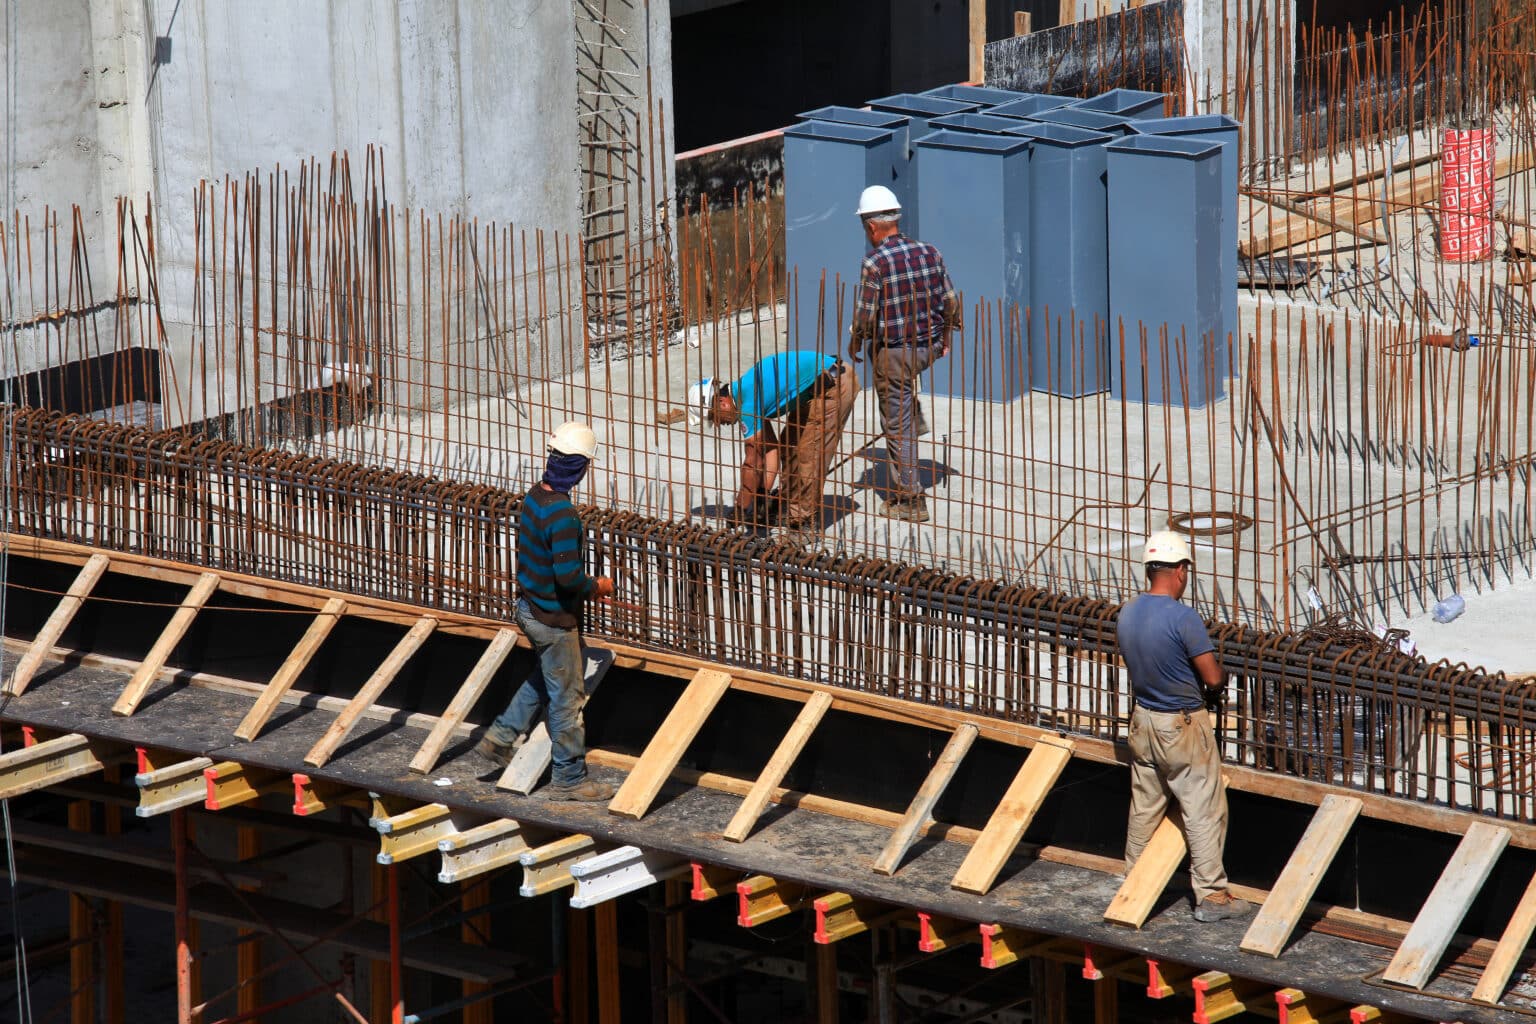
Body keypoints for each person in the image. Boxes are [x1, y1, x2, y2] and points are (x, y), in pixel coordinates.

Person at [1116, 530, 1251, 923]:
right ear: (1179, 570)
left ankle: (1135, 880)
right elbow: (1211, 678)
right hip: (1181, 724)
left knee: (1145, 804)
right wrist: (1221, 676)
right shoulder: (1183, 618)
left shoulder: (1127, 611)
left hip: (1143, 719)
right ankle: (1211, 896)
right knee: (1203, 807)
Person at [477, 421, 616, 802]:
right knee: (567, 699)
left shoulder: (535, 497)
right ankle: (569, 778)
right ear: (580, 467)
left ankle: (501, 737)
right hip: (554, 621)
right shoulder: (563, 515)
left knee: (546, 677)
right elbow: (569, 577)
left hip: (528, 608)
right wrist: (599, 586)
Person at [848, 184, 962, 524]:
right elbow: (951, 300)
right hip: (927, 348)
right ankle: (913, 413)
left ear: (871, 226)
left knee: (897, 424)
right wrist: (946, 338)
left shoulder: (874, 261)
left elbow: (866, 316)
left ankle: (911, 500)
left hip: (896, 353)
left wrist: (855, 342)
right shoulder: (930, 251)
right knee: (903, 396)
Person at [688, 349, 859, 537]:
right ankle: (788, 505)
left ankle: (804, 524)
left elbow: (752, 463)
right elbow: (770, 451)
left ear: (722, 402)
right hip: (816, 387)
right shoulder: (745, 395)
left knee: (807, 453)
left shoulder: (748, 406)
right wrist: (762, 496)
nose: (720, 424)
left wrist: (740, 508)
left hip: (834, 385)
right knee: (789, 446)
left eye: (715, 418)